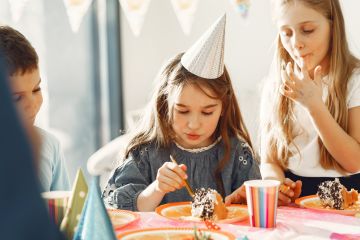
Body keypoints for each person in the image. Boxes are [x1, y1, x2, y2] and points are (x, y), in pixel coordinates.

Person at [102, 14, 261, 211]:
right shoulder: (145, 154)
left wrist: (243, 202)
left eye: (207, 112)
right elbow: (114, 208)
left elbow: (257, 214)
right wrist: (157, 189)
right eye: (183, 111)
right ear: (165, 104)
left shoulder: (239, 156)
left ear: (223, 108)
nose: (194, 124)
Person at [259, 0, 360, 205]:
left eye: (307, 30)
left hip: (349, 199)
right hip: (295, 200)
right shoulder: (275, 86)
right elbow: (270, 161)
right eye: (286, 33)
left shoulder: (354, 81)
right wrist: (276, 185)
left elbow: (354, 162)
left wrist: (314, 105)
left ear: (333, 25)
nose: (296, 43)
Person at [0, 25, 71, 192]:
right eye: (16, 98)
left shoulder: (49, 145)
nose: (33, 105)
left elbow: (63, 213)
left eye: (36, 90)